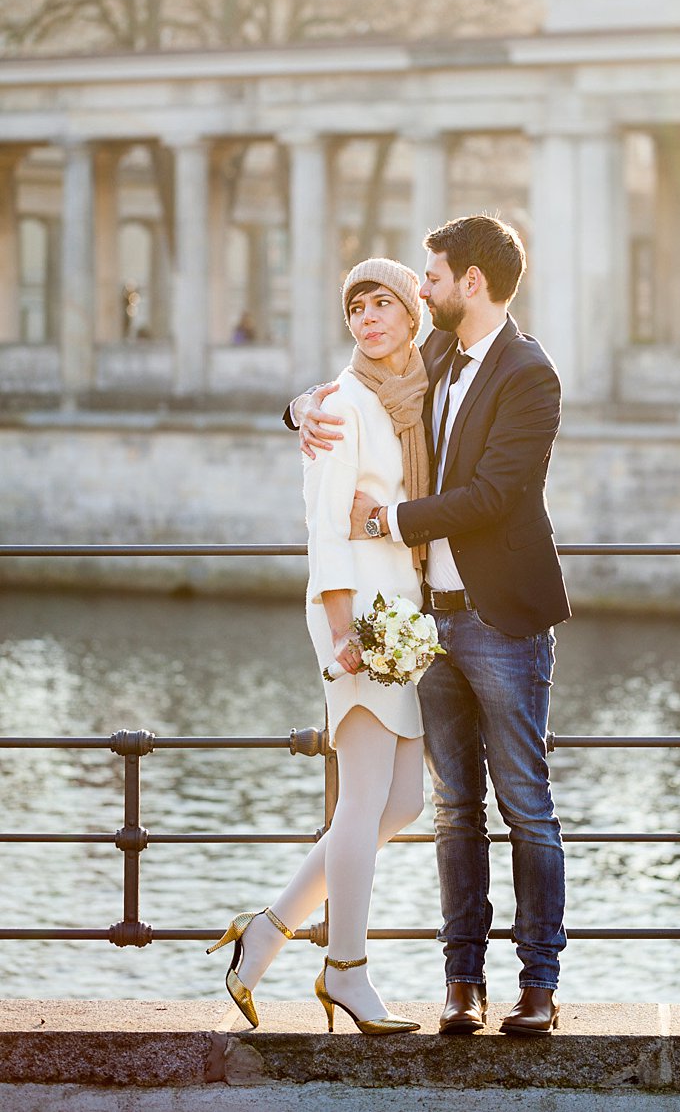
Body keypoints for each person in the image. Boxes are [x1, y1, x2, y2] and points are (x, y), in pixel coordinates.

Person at [290, 215, 570, 1036]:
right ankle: (462, 983)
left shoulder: (529, 373)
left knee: (526, 804)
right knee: (453, 811)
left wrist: (390, 522)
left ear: (470, 283)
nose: (423, 286)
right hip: (432, 625)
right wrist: (300, 407)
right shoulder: (437, 355)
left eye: (433, 275)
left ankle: (540, 983)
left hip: (505, 620)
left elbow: (494, 495)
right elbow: (361, 383)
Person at [208, 258, 432, 1036]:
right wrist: (342, 634)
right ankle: (345, 969)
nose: (368, 317)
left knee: (405, 801)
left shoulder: (410, 395)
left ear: (411, 314)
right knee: (368, 794)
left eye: (383, 303)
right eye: (356, 307)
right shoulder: (340, 404)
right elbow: (326, 525)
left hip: (400, 618)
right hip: (360, 621)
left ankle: (265, 933)